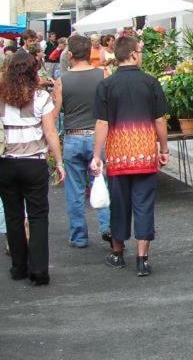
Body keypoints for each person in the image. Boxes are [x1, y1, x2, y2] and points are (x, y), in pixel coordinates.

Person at [90, 36, 169, 276]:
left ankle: (117, 253)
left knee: (119, 205)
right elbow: (160, 120)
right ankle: (142, 259)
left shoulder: (106, 85)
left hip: (117, 155)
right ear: (133, 54)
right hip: (145, 153)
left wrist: (97, 154)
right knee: (144, 205)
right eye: (140, 50)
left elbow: (102, 122)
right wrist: (163, 149)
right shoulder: (151, 83)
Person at [0, 51, 65, 284]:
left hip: (6, 162)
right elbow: (50, 132)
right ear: (32, 71)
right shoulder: (40, 98)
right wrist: (58, 162)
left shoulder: (1, 95)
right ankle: (38, 270)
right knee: (38, 216)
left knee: (13, 215)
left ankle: (18, 267)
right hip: (34, 162)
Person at [53, 34, 111, 249]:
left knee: (75, 190)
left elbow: (56, 113)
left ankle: (79, 236)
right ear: (90, 53)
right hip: (98, 136)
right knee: (101, 182)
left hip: (73, 136)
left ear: (70, 55)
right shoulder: (103, 74)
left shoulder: (62, 81)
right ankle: (107, 227)